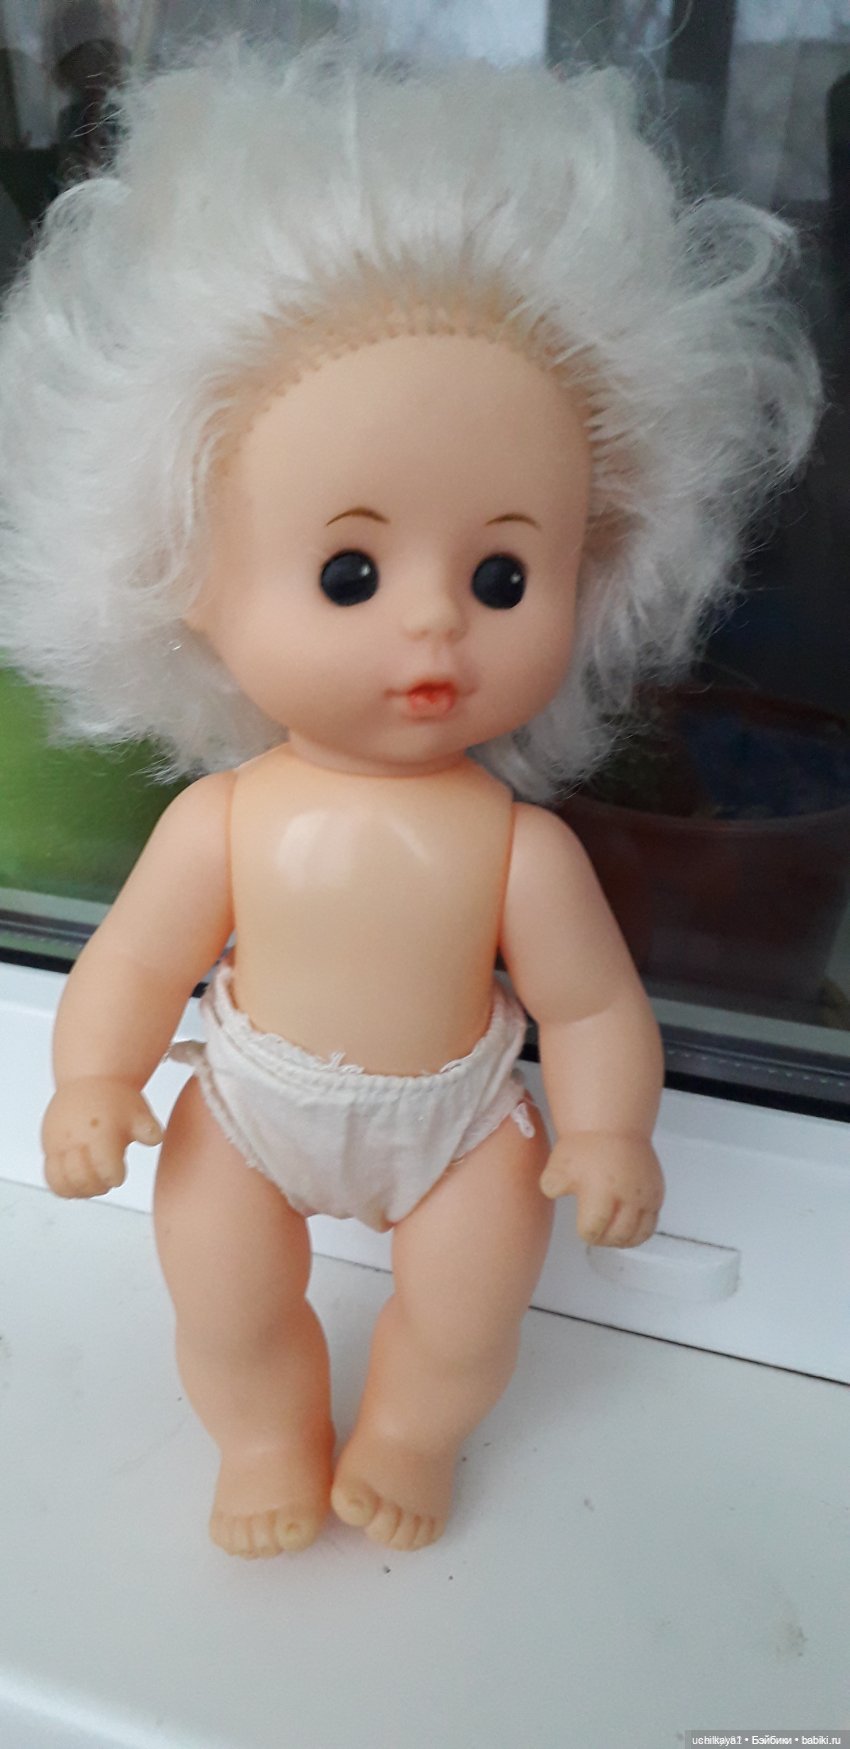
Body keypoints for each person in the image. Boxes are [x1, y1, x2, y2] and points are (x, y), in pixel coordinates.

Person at [0, 40, 820, 1557]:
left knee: (467, 1303)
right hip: (249, 1111)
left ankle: (409, 1433)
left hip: (458, 1125)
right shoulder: (224, 820)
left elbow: (586, 1005)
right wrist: (94, 1080)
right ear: (179, 573)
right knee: (220, 1288)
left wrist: (609, 1130)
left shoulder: (518, 848)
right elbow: (135, 962)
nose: (434, 621)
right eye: (349, 571)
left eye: (503, 574)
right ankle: (264, 1432)